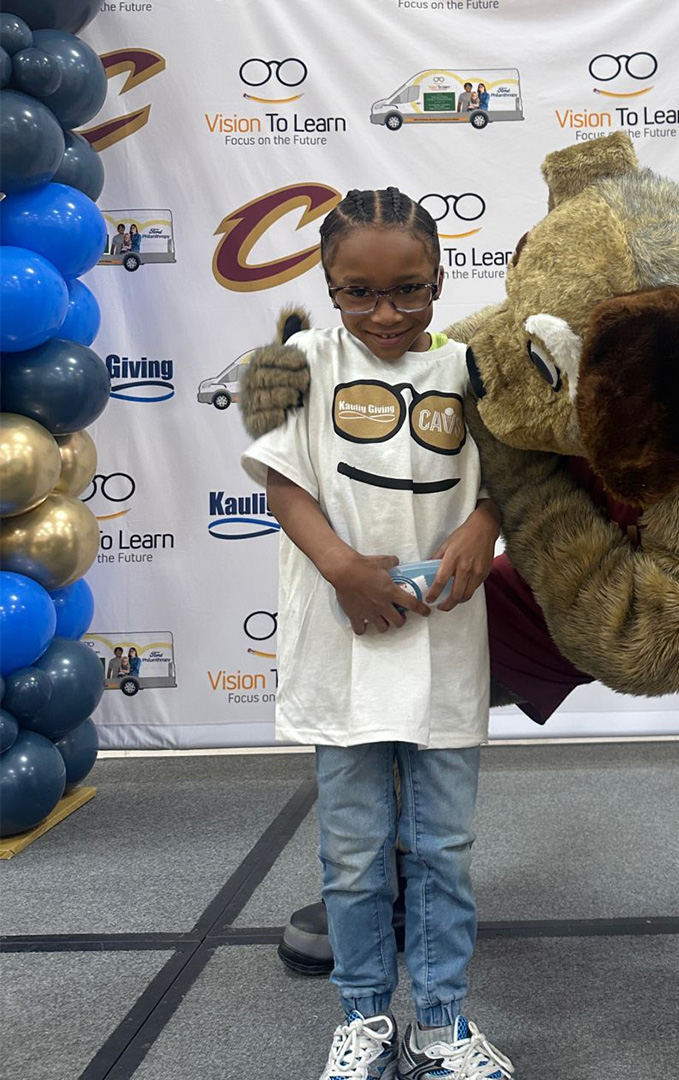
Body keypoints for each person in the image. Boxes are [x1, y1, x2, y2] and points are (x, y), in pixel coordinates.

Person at [241, 187, 513, 1080]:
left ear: (440, 279)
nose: (384, 313)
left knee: (443, 849)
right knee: (353, 853)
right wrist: (344, 571)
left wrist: (485, 521)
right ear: (326, 283)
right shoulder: (298, 363)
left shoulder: (471, 370)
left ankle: (441, 1021)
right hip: (343, 641)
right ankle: (363, 1019)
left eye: (409, 290)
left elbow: (515, 470)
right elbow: (285, 485)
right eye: (357, 292)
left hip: (441, 644)